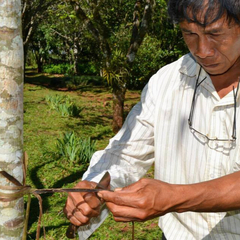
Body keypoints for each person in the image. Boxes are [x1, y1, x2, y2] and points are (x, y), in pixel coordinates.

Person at [64, 0, 240, 239]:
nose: (202, 50)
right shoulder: (167, 81)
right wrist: (95, 185)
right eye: (189, 33)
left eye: (215, 34)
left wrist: (176, 198)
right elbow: (127, 152)